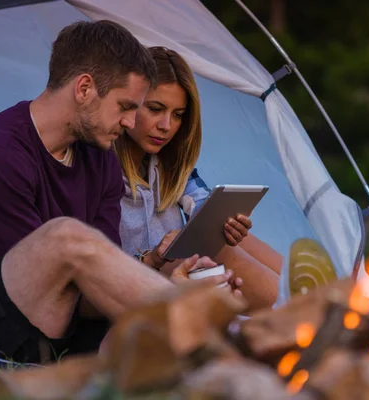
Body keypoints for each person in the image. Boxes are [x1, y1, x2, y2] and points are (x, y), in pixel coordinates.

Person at [0, 20, 240, 364]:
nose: (130, 122)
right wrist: (166, 293)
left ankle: (228, 336)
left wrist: (166, 276)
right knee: (65, 239)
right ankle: (212, 329)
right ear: (84, 88)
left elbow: (93, 292)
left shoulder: (101, 161)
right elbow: (53, 282)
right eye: (126, 106)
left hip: (53, 330)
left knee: (172, 288)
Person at [114, 47, 283, 310]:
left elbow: (201, 204)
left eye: (178, 115)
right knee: (217, 252)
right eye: (156, 109)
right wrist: (155, 256)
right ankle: (302, 307)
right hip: (128, 289)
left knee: (225, 235)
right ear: (128, 102)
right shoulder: (101, 169)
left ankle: (315, 296)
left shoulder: (166, 164)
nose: (166, 126)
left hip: (171, 276)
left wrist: (227, 225)